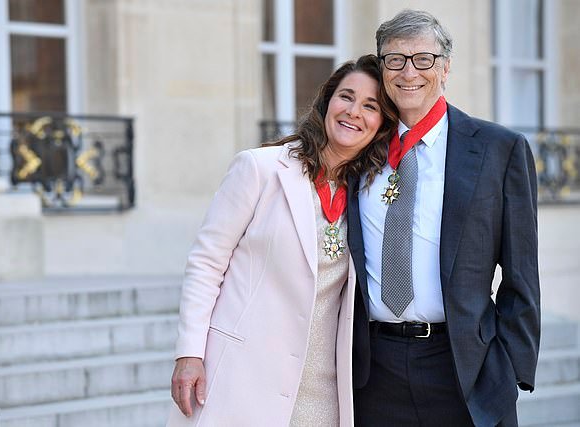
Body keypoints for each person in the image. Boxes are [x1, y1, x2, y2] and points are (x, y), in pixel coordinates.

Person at [167, 54, 397, 426]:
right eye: (346, 97)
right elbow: (206, 263)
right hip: (244, 374)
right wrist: (189, 353)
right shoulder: (259, 169)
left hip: (324, 389)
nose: (354, 112)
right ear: (327, 102)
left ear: (381, 125)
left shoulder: (367, 196)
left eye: (370, 106)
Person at [348, 9, 540, 427]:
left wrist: (511, 371)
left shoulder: (498, 149)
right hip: (373, 374)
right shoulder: (360, 150)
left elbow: (522, 275)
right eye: (395, 60)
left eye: (423, 59)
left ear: (445, 68)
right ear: (382, 69)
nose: (408, 72)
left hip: (464, 370)